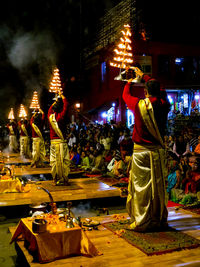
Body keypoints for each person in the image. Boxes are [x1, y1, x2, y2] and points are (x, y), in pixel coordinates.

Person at [122, 66, 170, 232]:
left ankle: (141, 221)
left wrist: (130, 82)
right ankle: (157, 219)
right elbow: (161, 90)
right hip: (157, 152)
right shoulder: (165, 104)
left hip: (141, 152)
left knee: (141, 187)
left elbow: (125, 95)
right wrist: (146, 77)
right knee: (157, 188)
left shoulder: (139, 104)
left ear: (145, 92)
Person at [48, 93, 70, 185]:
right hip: (60, 143)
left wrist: (55, 102)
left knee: (54, 162)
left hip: (53, 143)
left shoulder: (50, 117)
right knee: (62, 161)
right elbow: (66, 106)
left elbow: (49, 110)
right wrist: (63, 97)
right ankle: (62, 179)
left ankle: (55, 178)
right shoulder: (61, 117)